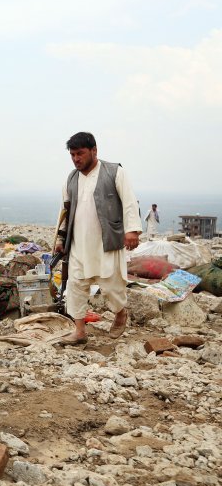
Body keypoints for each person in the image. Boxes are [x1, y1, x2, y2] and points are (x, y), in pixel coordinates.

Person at [55, 132, 141, 345]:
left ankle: (121, 313)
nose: (76, 159)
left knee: (112, 285)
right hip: (78, 244)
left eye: (80, 153)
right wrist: (60, 239)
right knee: (75, 286)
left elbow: (130, 202)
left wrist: (132, 231)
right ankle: (79, 331)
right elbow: (65, 211)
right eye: (72, 154)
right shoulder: (71, 179)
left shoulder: (114, 172)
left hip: (107, 242)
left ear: (94, 150)